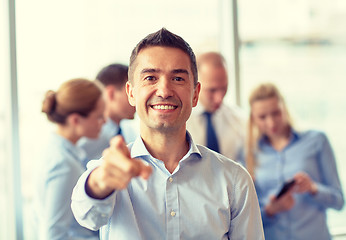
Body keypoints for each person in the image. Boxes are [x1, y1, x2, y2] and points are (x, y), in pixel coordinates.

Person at [71, 28, 264, 239]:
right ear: (131, 93)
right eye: (151, 78)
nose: (164, 91)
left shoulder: (235, 181)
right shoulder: (109, 172)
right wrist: (99, 183)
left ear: (195, 94)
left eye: (178, 79)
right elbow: (86, 214)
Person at [245, 82, 344, 240]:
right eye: (262, 117)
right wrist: (271, 210)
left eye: (276, 113)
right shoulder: (247, 153)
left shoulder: (317, 141)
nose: (271, 122)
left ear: (284, 108)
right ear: (253, 118)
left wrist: (313, 188)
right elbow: (244, 219)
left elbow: (339, 201)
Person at [33, 78, 105, 240]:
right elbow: (54, 235)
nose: (104, 121)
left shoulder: (53, 149)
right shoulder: (64, 164)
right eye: (99, 116)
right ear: (75, 120)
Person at [186, 52, 246, 163]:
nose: (219, 98)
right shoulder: (180, 121)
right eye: (212, 90)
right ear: (195, 85)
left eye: (224, 88)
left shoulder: (239, 120)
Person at [77, 63, 137, 165]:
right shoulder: (87, 136)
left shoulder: (130, 132)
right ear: (111, 93)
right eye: (129, 91)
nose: (136, 98)